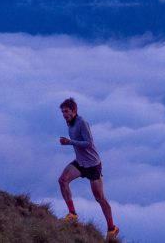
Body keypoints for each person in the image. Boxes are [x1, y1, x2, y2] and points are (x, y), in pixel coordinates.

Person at [58, 97, 119, 239]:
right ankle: (72, 214)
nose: (64, 115)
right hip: (80, 163)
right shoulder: (70, 123)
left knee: (100, 198)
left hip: (93, 165)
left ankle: (112, 229)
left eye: (66, 111)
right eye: (62, 112)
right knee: (62, 180)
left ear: (74, 111)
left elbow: (89, 143)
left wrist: (69, 142)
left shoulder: (82, 123)